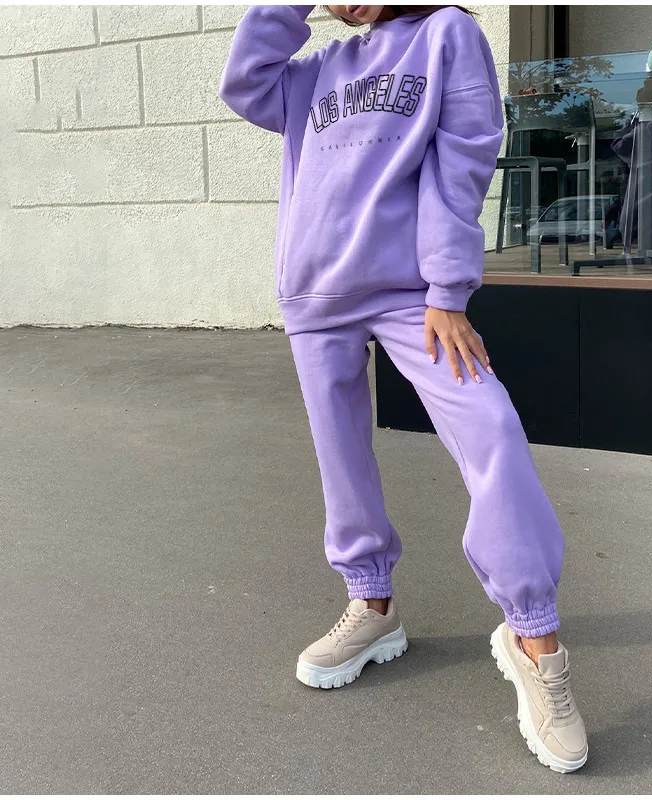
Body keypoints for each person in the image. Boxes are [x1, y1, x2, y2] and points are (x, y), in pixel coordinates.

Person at [220, 4, 588, 773]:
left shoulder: (445, 34)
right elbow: (244, 83)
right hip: (315, 296)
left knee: (491, 429)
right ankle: (372, 603)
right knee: (341, 459)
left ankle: (534, 635)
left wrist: (448, 291)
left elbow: (464, 160)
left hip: (411, 297)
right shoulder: (315, 72)